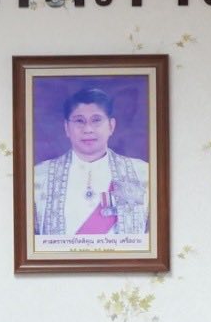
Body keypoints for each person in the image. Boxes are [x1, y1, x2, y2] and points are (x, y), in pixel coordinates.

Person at [33, 86, 150, 237]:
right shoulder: (39, 177)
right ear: (67, 128)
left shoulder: (143, 174)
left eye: (96, 120)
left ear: (111, 126)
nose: (88, 129)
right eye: (79, 121)